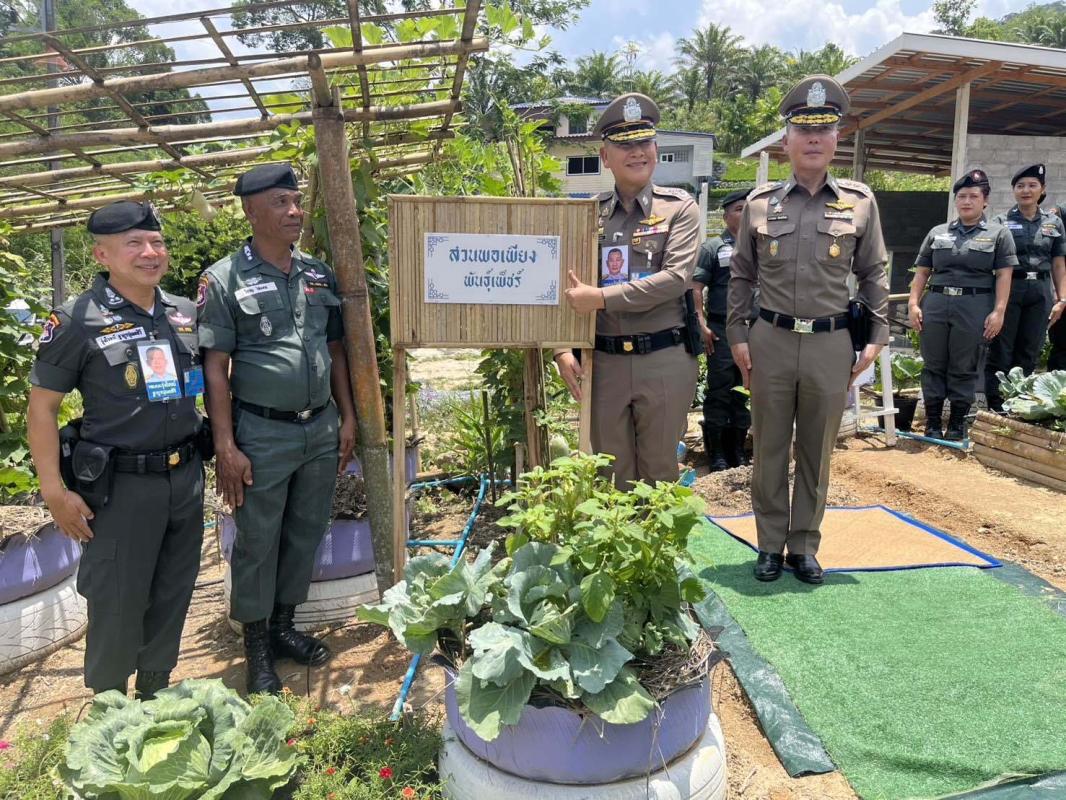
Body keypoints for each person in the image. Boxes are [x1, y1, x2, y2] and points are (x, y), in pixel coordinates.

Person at [26, 201, 205, 699]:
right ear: (102, 254)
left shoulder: (183, 312)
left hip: (185, 478)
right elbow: (41, 409)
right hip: (121, 489)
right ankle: (108, 705)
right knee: (118, 599)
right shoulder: (78, 319)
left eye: (157, 242)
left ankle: (155, 693)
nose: (150, 252)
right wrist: (53, 492)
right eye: (134, 244)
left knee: (174, 590)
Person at [197, 162, 357, 694]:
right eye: (280, 203)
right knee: (258, 541)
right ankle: (258, 647)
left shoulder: (317, 274)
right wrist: (226, 445)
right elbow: (215, 368)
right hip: (262, 433)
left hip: (319, 429)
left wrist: (347, 415)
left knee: (307, 530)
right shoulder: (223, 279)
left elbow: (335, 350)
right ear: (251, 212)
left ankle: (285, 626)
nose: (294, 211)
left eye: (296, 201)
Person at [727, 75, 889, 585]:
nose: (813, 138)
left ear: (837, 137)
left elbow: (874, 272)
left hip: (830, 342)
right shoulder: (760, 203)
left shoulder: (860, 202)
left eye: (823, 129)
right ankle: (769, 544)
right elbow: (741, 275)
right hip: (771, 340)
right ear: (787, 140)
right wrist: (737, 335)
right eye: (803, 129)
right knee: (770, 447)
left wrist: (877, 337)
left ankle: (804, 546)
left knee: (817, 450)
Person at [553, 93, 701, 487]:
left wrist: (600, 298)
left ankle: (660, 533)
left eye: (644, 142)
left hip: (664, 358)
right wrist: (562, 349)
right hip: (604, 363)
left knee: (660, 474)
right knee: (611, 475)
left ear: (656, 149)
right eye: (624, 145)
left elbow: (675, 278)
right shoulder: (588, 215)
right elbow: (563, 281)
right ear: (605, 156)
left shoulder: (680, 208)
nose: (637, 152)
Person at [908, 169, 1016, 440]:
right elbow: (922, 272)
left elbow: (1004, 275)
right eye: (962, 196)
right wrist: (913, 304)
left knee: (964, 364)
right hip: (936, 303)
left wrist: (999, 311)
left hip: (974, 304)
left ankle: (956, 423)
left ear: (985, 201)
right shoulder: (937, 232)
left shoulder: (999, 234)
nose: (967, 201)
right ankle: (933, 422)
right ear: (956, 200)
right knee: (933, 363)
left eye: (973, 196)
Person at [985, 165, 1066, 411]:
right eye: (1020, 186)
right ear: (1013, 191)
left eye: (1032, 185)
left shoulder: (1054, 223)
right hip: (1010, 288)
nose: (1026, 190)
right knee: (1002, 349)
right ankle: (996, 406)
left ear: (1043, 189)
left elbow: (1058, 263)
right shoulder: (1001, 222)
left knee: (1030, 350)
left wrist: (1062, 298)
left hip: (1040, 291)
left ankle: (1019, 405)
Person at [693, 188, 751, 472]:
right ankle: (716, 453)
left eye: (748, 208)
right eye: (739, 209)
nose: (745, 213)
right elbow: (695, 287)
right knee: (720, 388)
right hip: (722, 328)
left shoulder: (763, 245)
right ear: (726, 216)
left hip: (755, 328)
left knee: (746, 389)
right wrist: (701, 323)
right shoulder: (713, 248)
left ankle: (738, 450)